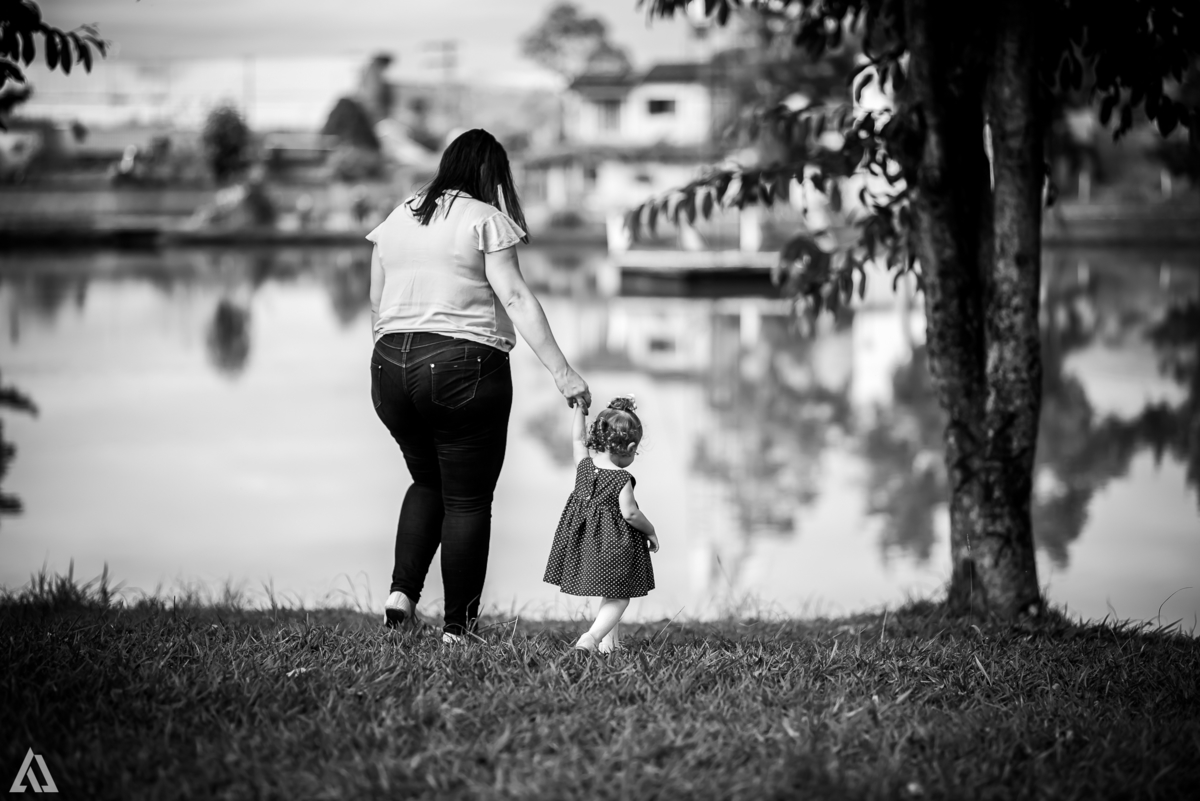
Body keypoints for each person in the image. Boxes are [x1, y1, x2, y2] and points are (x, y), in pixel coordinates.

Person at [367, 129, 590, 643]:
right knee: (467, 500)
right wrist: (563, 372)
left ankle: (402, 594)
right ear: (491, 173)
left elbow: (377, 301)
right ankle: (457, 631)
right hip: (462, 364)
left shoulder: (400, 216)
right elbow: (513, 297)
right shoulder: (484, 219)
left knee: (427, 481)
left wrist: (392, 358)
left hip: (388, 367)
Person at [543, 397, 658, 653]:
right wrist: (650, 530)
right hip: (614, 545)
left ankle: (610, 644)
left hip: (583, 545)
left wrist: (579, 412)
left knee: (612, 590)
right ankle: (592, 637)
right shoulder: (622, 478)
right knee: (620, 596)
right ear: (629, 446)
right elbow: (630, 514)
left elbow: (576, 440)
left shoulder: (584, 466)